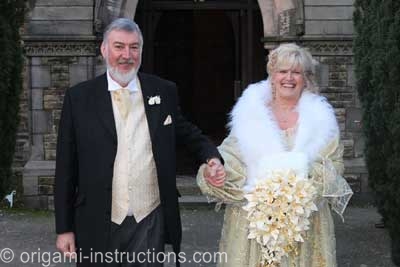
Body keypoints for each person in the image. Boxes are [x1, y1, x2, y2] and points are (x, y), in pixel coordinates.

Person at [54, 18, 224, 267]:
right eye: (119, 46)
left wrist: (212, 157)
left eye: (134, 47)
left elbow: (186, 131)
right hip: (98, 219)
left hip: (150, 219)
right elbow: (65, 168)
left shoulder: (163, 91)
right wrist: (64, 228)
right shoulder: (79, 98)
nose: (127, 55)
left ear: (141, 51)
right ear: (104, 49)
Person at [198, 43, 353, 266]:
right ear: (272, 75)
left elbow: (334, 166)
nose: (288, 78)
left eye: (296, 72)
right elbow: (230, 157)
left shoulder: (321, 121)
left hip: (304, 224)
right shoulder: (250, 114)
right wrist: (215, 171)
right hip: (254, 223)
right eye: (282, 71)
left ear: (305, 78)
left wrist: (296, 190)